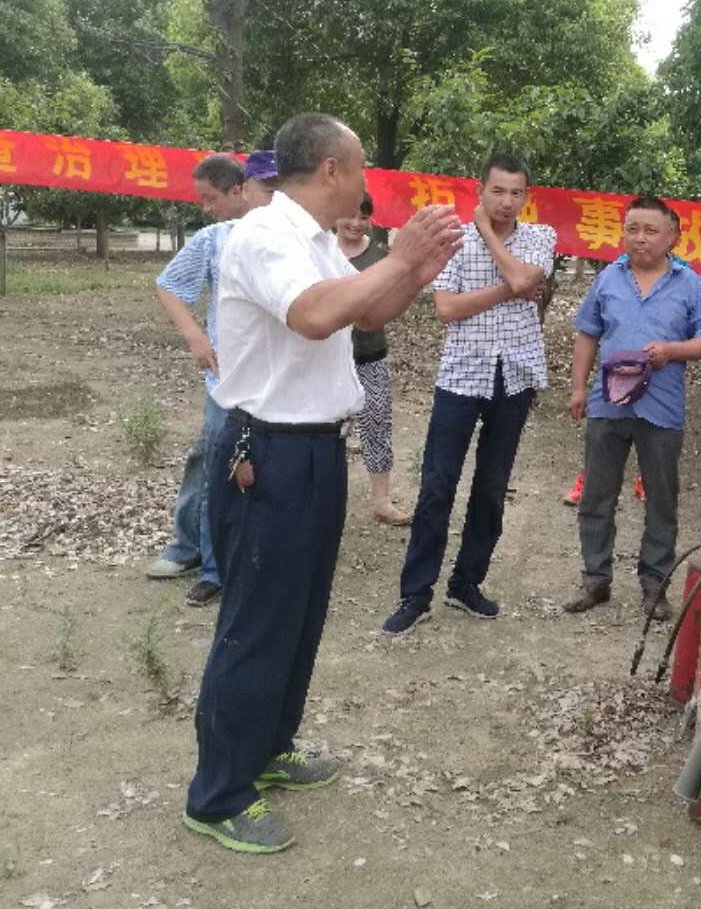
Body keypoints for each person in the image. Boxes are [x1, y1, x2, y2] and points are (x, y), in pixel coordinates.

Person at [184, 113, 463, 853]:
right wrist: (400, 258)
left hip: (314, 449)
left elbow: (362, 309)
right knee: (257, 620)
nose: (369, 181)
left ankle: (269, 746)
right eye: (362, 166)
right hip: (267, 452)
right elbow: (313, 316)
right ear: (333, 169)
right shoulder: (264, 235)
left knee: (301, 613)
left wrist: (411, 272)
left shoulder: (315, 240)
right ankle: (217, 794)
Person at [382, 155, 556, 635]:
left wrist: (489, 237)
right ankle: (416, 594)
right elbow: (446, 308)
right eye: (497, 191)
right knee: (437, 485)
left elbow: (524, 280)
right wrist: (513, 288)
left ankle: (466, 583)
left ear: (526, 197)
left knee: (492, 487)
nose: (506, 202)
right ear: (481, 191)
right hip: (461, 376)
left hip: (514, 376)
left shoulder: (541, 237)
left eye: (516, 193)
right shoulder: (453, 240)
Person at [561, 196, 701, 618]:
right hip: (607, 403)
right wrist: (578, 388)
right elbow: (587, 333)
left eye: (651, 230)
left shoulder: (689, 285)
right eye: (632, 229)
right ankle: (595, 578)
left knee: (661, 499)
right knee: (597, 494)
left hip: (661, 406)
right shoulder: (608, 279)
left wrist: (672, 351)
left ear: (672, 237)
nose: (640, 238)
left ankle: (655, 586)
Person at [145, 152, 274, 606]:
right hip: (227, 379)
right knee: (215, 463)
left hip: (274, 381)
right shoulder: (215, 239)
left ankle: (243, 555)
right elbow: (169, 284)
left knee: (253, 467)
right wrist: (196, 337)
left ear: (241, 191)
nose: (206, 207)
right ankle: (209, 562)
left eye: (210, 198)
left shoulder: (293, 239)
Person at [335, 191, 412, 526]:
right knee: (328, 426)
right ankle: (327, 496)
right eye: (349, 215)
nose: (355, 223)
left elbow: (391, 300)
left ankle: (381, 499)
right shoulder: (320, 251)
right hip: (327, 356)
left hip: (370, 353)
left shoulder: (381, 256)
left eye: (363, 217)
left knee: (376, 420)